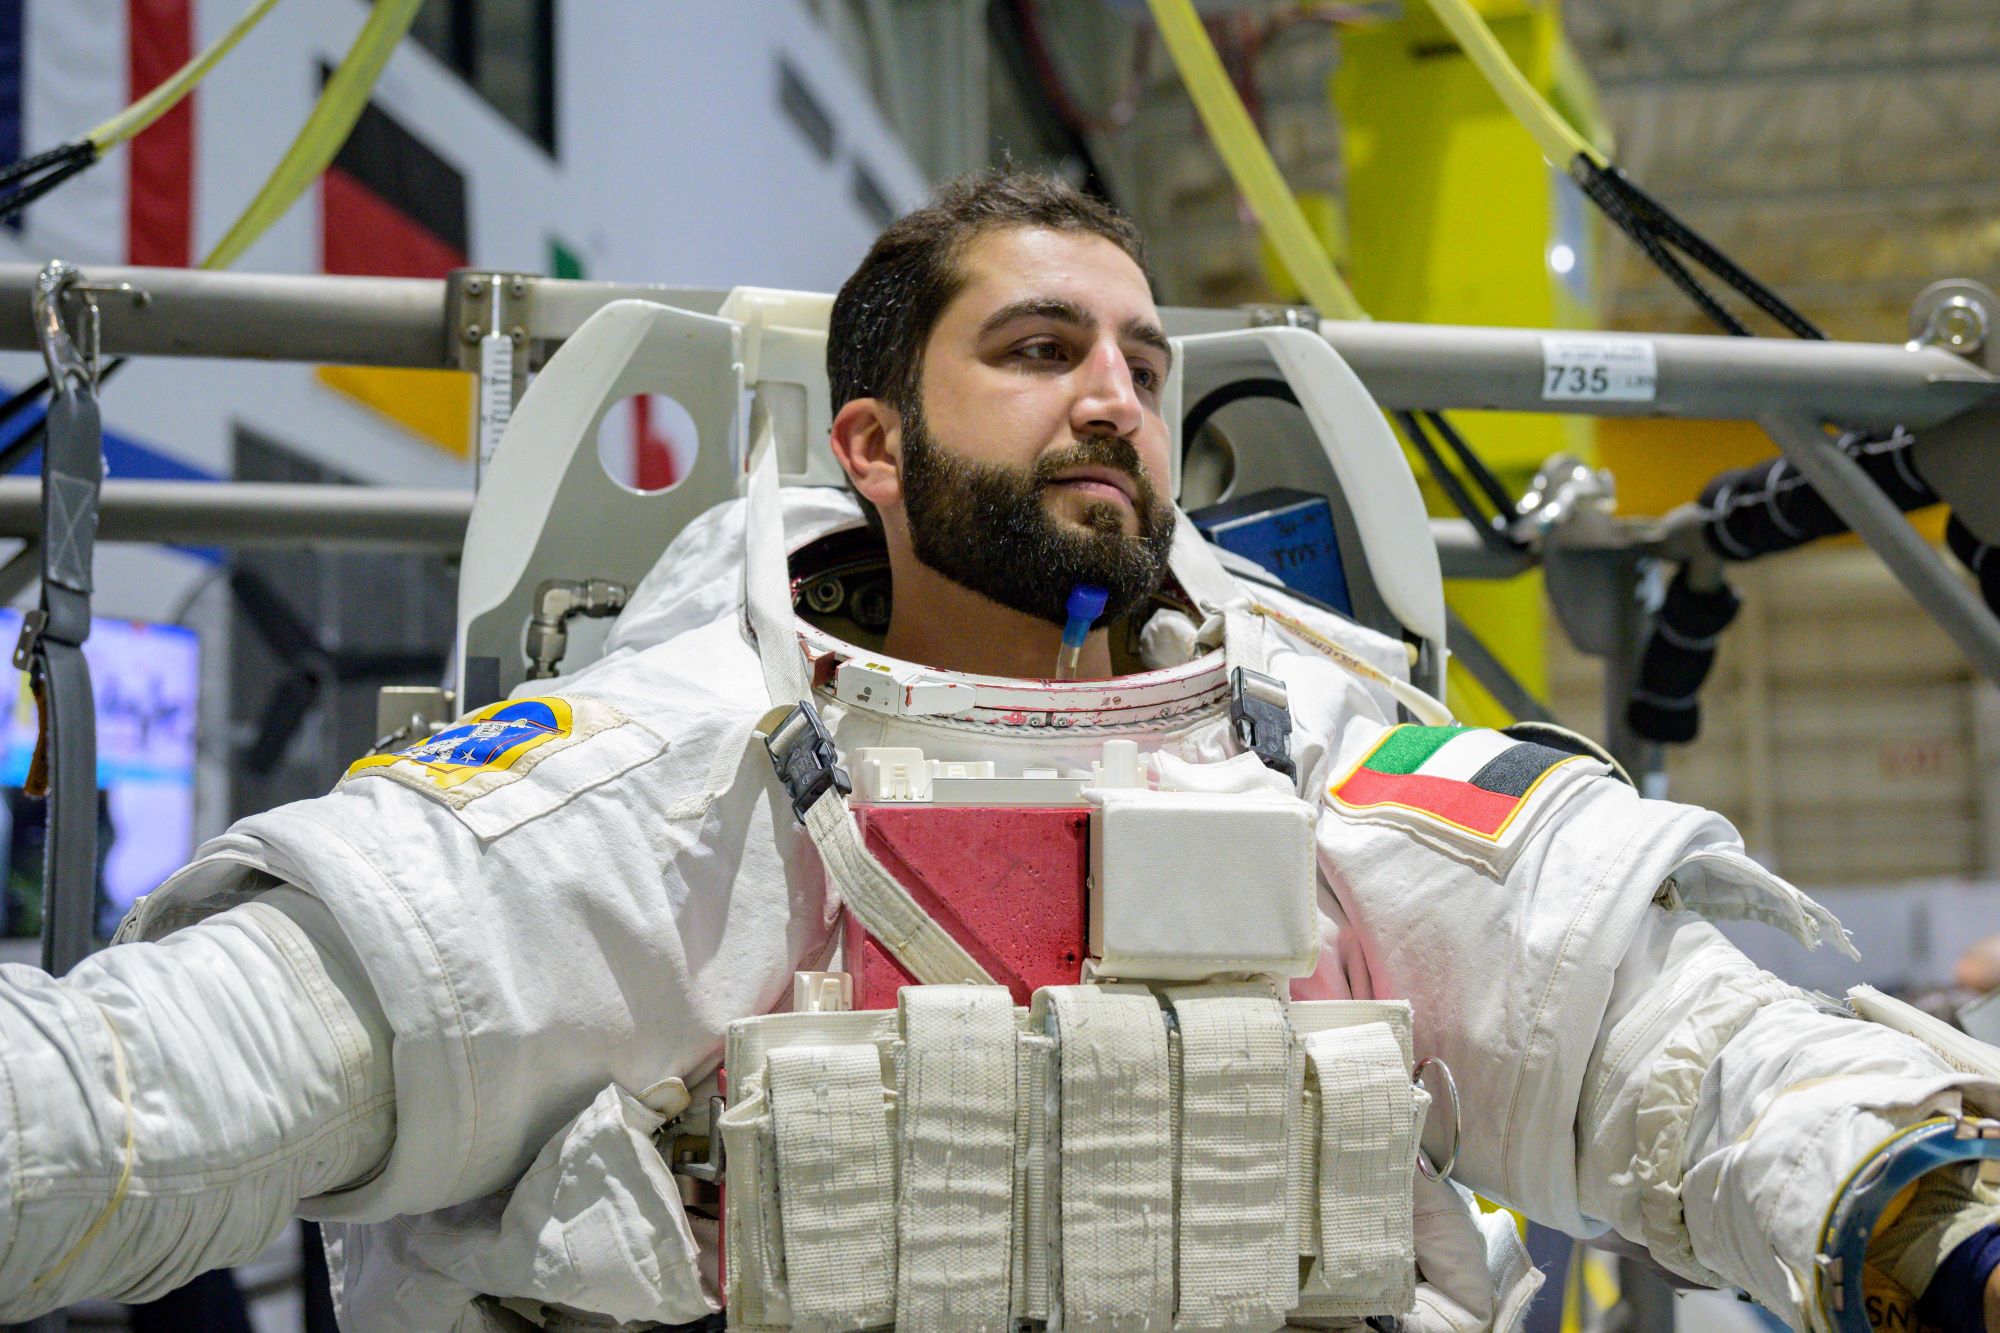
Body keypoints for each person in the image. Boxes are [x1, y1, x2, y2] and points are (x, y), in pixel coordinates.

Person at [0, 171, 1995, 1333]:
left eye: (1141, 363)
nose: (1114, 398)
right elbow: (151, 1099)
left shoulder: (1323, 766)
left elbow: (1698, 1057)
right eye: (1037, 350)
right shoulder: (653, 778)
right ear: (869, 444)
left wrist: (1926, 1213)